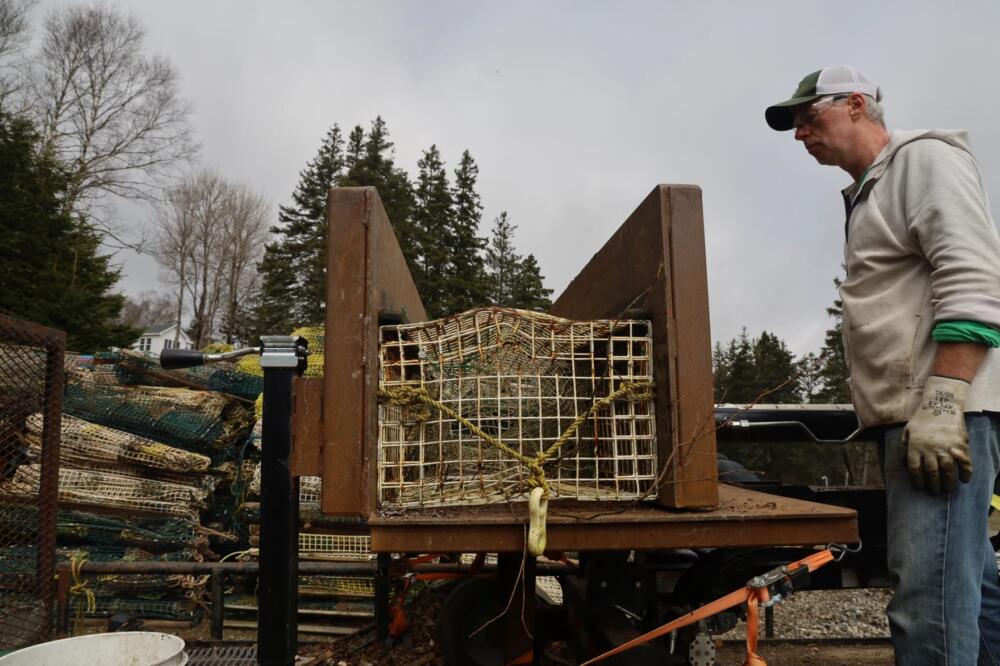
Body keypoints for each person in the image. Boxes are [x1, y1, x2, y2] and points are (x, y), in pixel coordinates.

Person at [765, 65, 1000, 665]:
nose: (799, 133)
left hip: (942, 419)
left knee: (928, 603)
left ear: (855, 105)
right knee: (971, 591)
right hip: (923, 414)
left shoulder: (922, 162)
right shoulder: (871, 189)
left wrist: (945, 400)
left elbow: (973, 277)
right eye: (793, 125)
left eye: (808, 117)